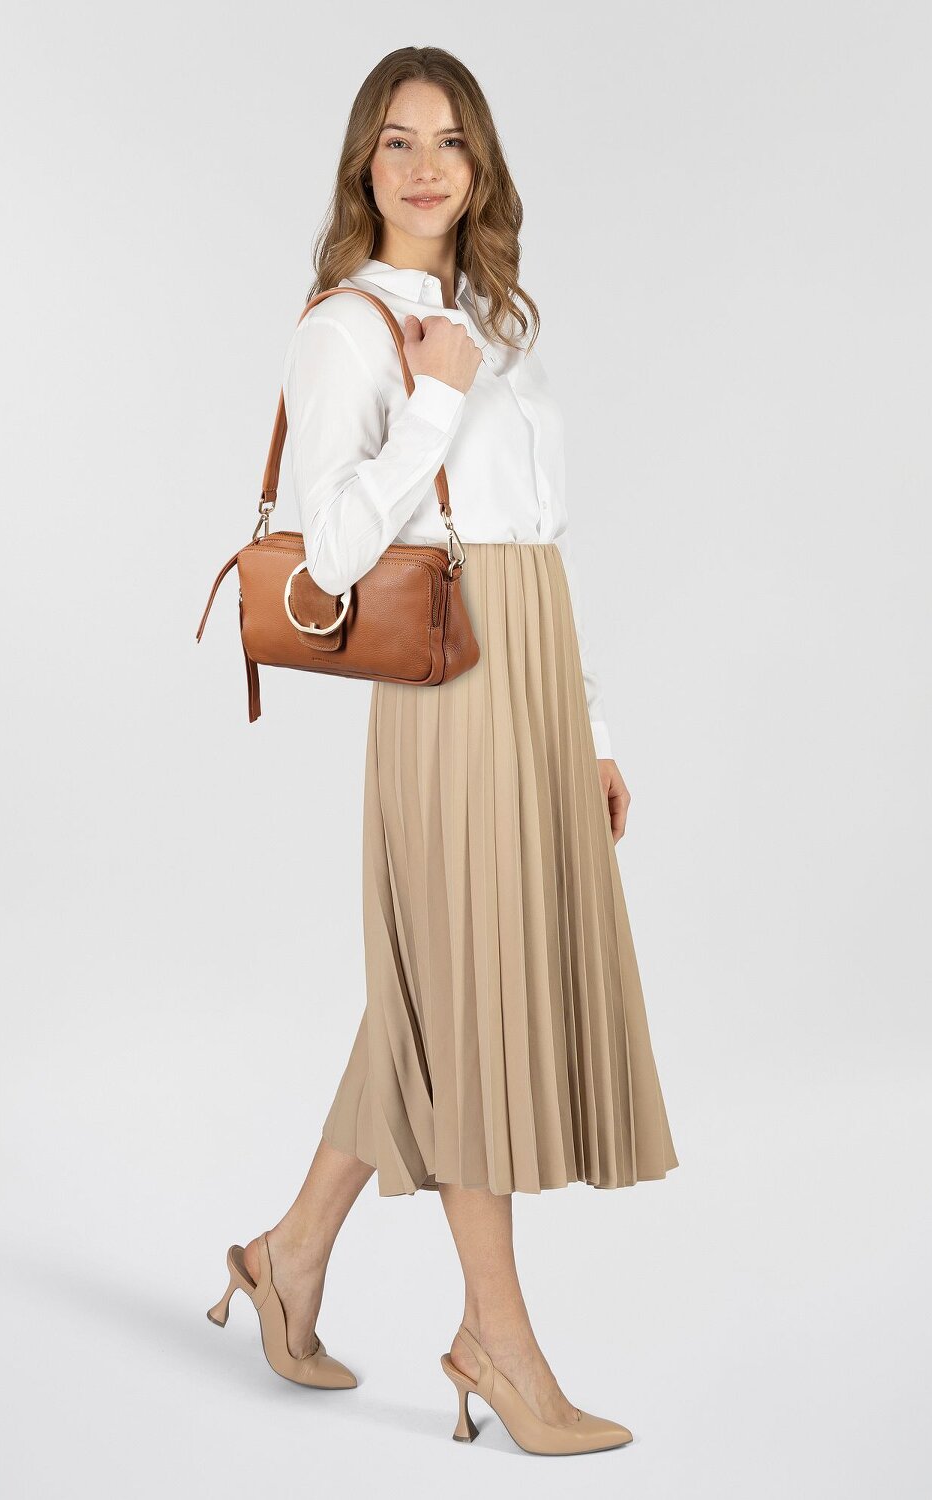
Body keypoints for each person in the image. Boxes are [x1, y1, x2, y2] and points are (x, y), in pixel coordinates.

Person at [206, 46, 679, 1456]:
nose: (425, 166)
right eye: (399, 140)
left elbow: (541, 538)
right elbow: (331, 553)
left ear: (482, 170)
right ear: (365, 162)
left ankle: (289, 1256)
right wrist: (431, 402)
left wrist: (591, 729)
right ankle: (501, 1345)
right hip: (449, 679)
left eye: (452, 141)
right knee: (468, 998)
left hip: (530, 668)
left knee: (441, 989)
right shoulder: (348, 328)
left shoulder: (485, 320)